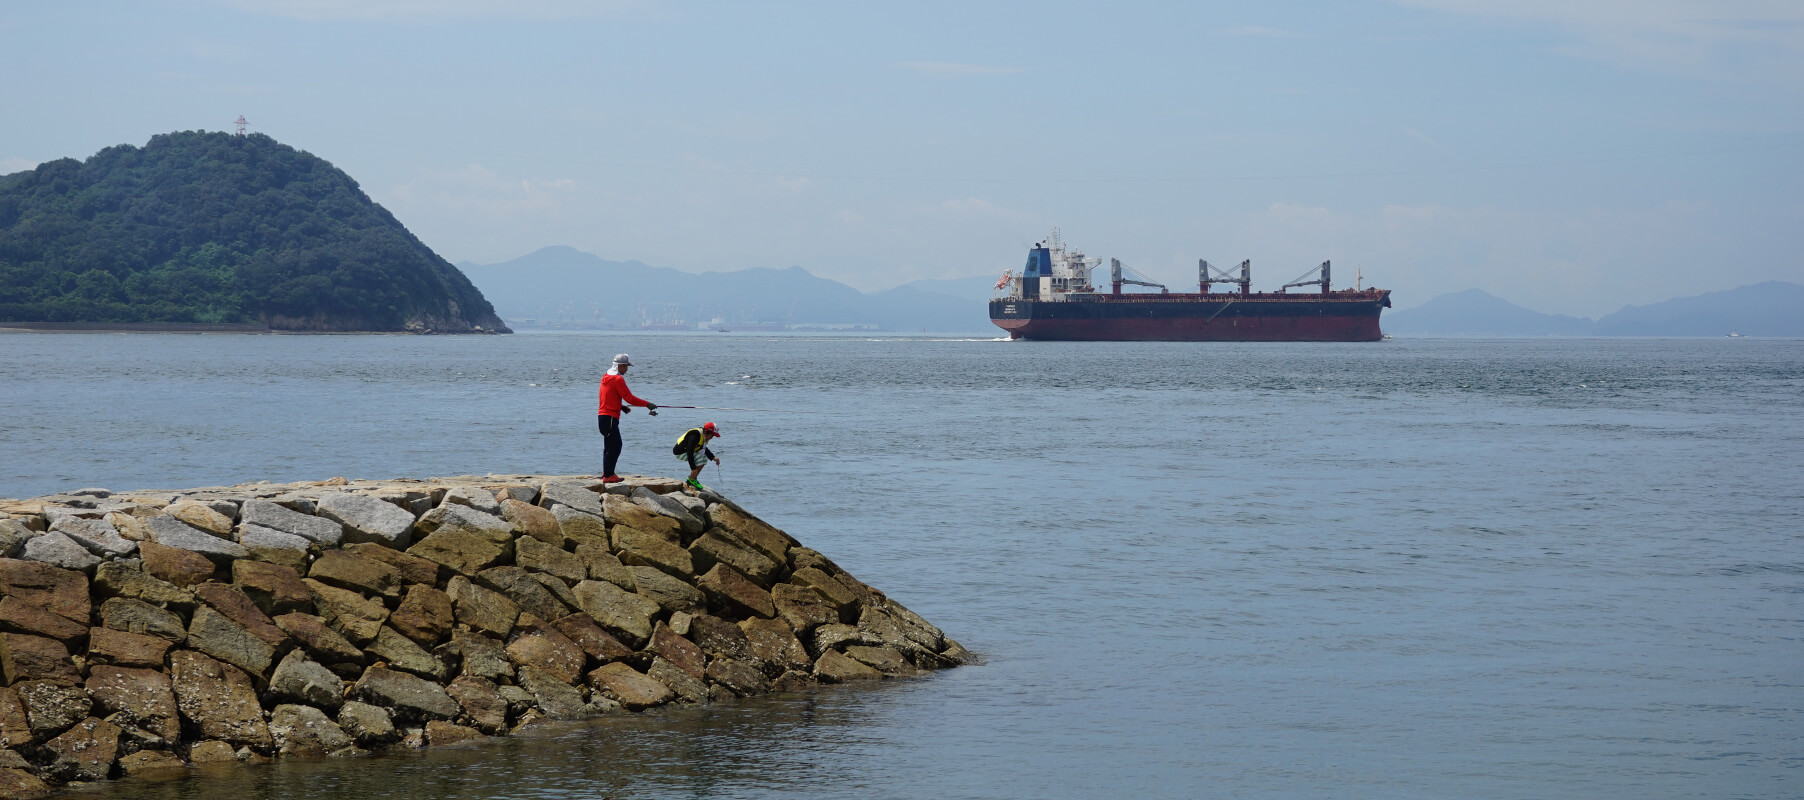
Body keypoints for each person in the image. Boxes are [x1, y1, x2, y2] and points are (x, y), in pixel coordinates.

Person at [597, 353, 656, 483]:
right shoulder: (618, 379)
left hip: (603, 417)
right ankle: (608, 475)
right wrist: (647, 404)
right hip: (610, 418)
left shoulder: (606, 376)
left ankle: (606, 472)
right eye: (626, 366)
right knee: (616, 446)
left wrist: (621, 407)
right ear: (621, 366)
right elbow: (629, 398)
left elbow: (607, 396)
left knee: (609, 446)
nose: (627, 369)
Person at [672, 421, 722, 492]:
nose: (712, 437)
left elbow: (704, 448)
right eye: (712, 435)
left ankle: (692, 479)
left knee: (704, 458)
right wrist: (693, 469)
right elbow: (690, 452)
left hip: (688, 452)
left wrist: (714, 458)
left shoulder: (704, 437)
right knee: (699, 459)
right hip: (679, 453)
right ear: (707, 432)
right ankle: (691, 480)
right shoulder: (695, 436)